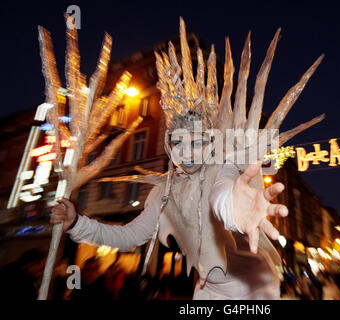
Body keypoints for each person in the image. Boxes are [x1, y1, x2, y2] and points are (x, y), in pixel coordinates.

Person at [50, 18, 323, 300]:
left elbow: (221, 196)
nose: (188, 151)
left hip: (255, 291)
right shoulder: (162, 194)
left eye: (197, 141)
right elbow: (129, 237)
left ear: (211, 143)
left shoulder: (224, 168)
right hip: (207, 291)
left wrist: (231, 208)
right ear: (169, 146)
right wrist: (75, 222)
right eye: (179, 141)